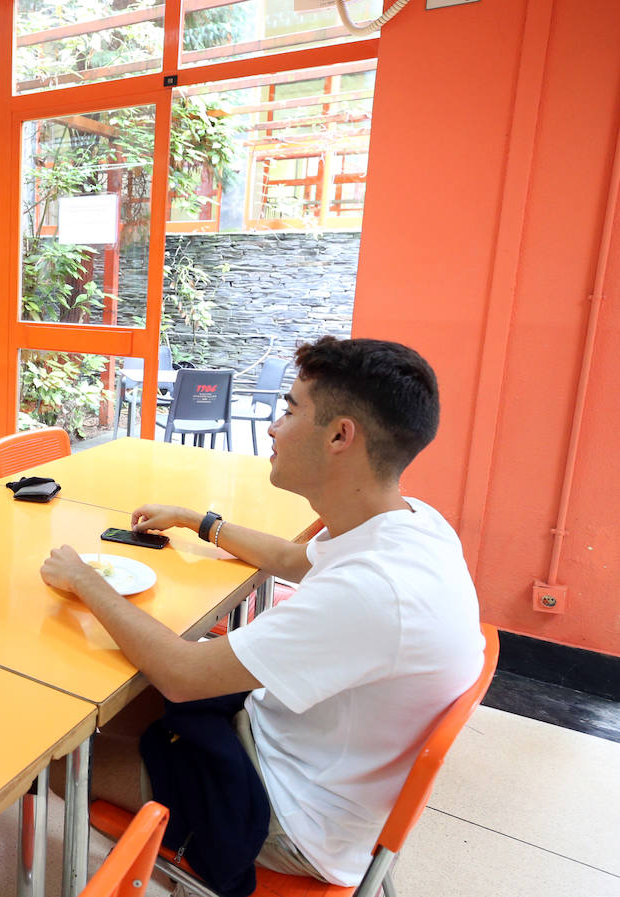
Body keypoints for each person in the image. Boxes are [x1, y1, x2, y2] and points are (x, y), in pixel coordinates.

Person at [40, 336, 484, 889]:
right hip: (319, 765)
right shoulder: (413, 524)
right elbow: (295, 559)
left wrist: (85, 580)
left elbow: (183, 677)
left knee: (55, 753)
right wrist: (198, 521)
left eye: (290, 409)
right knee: (115, 686)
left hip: (289, 816)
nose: (274, 426)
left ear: (341, 435)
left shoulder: (373, 592)